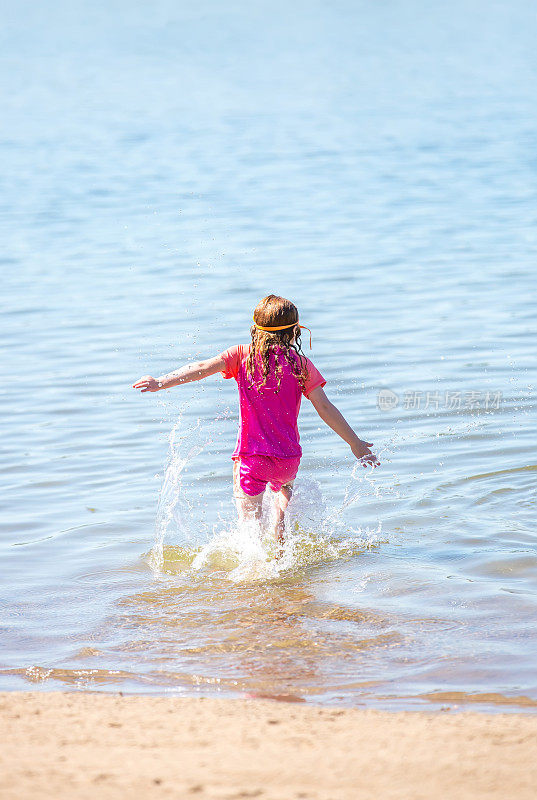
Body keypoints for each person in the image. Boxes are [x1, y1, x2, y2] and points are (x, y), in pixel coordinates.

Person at [133, 295, 380, 547]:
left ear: (255, 329)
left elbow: (201, 367)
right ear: (295, 331)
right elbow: (325, 407)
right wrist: (355, 443)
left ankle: (256, 567)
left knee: (250, 532)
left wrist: (160, 382)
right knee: (282, 498)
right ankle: (280, 528)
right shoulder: (301, 365)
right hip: (288, 460)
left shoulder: (241, 356)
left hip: (252, 459)